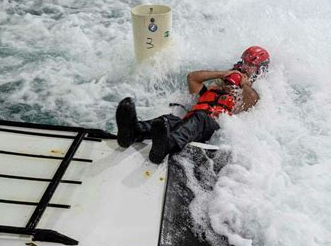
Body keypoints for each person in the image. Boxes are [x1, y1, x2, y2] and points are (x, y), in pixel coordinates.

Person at [115, 46, 270, 164]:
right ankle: (134, 131)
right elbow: (192, 78)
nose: (244, 67)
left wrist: (244, 85)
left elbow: (252, 101)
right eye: (244, 63)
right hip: (194, 122)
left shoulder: (248, 94)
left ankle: (168, 145)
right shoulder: (216, 86)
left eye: (250, 65)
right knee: (170, 119)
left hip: (213, 130)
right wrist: (222, 74)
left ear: (259, 70)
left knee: (200, 118)